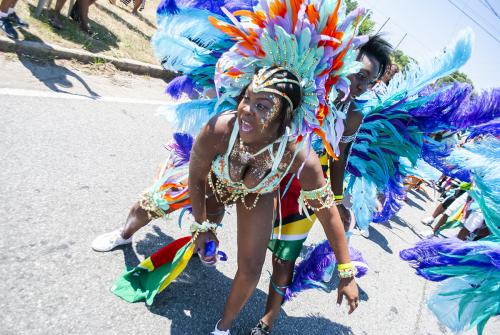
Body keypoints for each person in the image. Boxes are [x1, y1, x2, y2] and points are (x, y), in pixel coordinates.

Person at [254, 34, 392, 334]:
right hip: (273, 170)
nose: (361, 85)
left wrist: (339, 199)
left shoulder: (354, 114)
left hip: (307, 189)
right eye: (360, 75)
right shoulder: (311, 84)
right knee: (249, 239)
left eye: (368, 82)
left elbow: (339, 157)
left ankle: (266, 322)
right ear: (345, 62)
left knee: (284, 257)